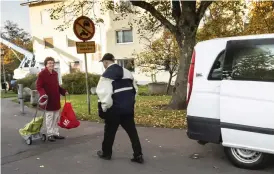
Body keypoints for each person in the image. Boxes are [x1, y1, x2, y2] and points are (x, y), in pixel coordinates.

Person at [96, 53, 144, 163]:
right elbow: (135, 89)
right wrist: (130, 103)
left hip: (114, 110)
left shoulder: (106, 75)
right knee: (132, 132)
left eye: (103, 63)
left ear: (106, 62)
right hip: (127, 108)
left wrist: (105, 107)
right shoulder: (127, 72)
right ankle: (138, 154)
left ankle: (106, 153)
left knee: (109, 133)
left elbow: (105, 94)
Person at [36, 57, 68, 142]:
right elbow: (39, 86)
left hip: (55, 98)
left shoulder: (55, 73)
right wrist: (43, 94)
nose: (52, 64)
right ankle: (50, 134)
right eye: (50, 63)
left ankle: (55, 133)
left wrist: (63, 91)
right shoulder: (42, 74)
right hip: (47, 99)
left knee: (56, 117)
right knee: (50, 117)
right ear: (46, 64)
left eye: (53, 63)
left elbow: (56, 86)